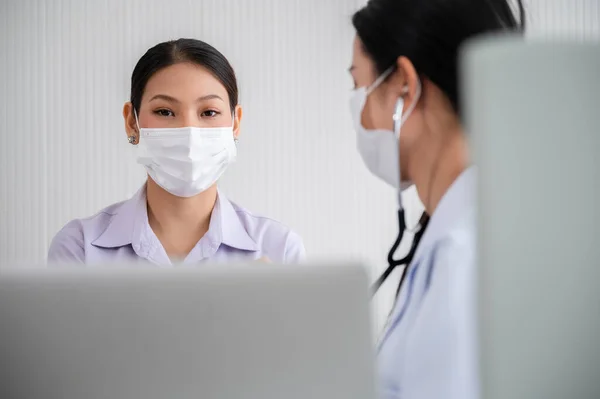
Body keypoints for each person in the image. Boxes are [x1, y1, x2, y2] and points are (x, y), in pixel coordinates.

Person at [348, 0, 524, 398]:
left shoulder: (464, 255)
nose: (358, 115)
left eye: (359, 86)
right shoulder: (458, 234)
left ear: (404, 89)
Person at [48, 38, 305, 265]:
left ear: (235, 123)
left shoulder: (279, 249)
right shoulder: (80, 247)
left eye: (209, 112)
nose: (189, 132)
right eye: (165, 112)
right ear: (131, 121)